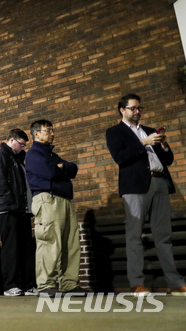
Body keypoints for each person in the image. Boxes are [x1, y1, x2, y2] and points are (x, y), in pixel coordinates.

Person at [105, 93, 186, 296]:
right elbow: (120, 157)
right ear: (122, 110)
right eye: (133, 108)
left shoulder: (149, 131)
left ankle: (175, 283)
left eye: (139, 108)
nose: (137, 111)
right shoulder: (115, 132)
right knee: (134, 236)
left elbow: (167, 160)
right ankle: (136, 283)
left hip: (159, 182)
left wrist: (164, 145)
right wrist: (144, 143)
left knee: (164, 236)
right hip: (134, 187)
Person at [25, 120, 85, 296]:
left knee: (70, 243)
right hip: (48, 200)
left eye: (52, 130)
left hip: (64, 200)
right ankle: (45, 285)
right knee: (50, 242)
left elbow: (73, 169)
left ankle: (69, 283)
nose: (52, 133)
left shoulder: (53, 156)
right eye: (48, 130)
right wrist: (61, 169)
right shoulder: (33, 154)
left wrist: (63, 166)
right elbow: (50, 173)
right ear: (36, 134)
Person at [0, 129, 37, 297]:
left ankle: (27, 284)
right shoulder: (0, 155)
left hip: (22, 210)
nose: (22, 148)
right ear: (11, 140)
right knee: (11, 248)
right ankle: (10, 285)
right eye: (21, 144)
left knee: (25, 247)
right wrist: (10, 202)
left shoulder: (21, 159)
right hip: (7, 209)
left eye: (25, 145)